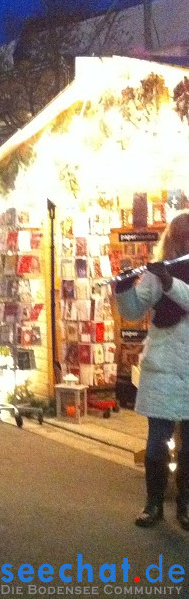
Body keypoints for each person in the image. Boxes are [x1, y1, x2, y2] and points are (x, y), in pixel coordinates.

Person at [114, 212, 189, 530]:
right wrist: (123, 288)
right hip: (163, 367)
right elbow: (132, 312)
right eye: (180, 235)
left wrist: (171, 283)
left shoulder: (167, 277)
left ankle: (185, 506)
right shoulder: (157, 273)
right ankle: (154, 504)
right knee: (158, 439)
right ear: (171, 237)